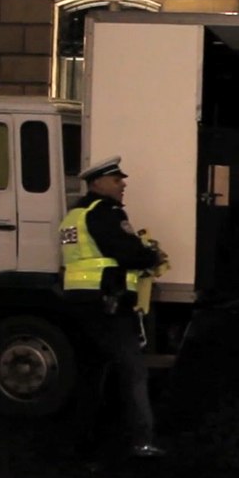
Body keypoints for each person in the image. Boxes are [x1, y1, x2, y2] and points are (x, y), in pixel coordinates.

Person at [60, 156, 168, 458]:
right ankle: (142, 440)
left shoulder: (75, 215)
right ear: (98, 183)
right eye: (117, 180)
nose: (123, 185)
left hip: (79, 302)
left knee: (90, 372)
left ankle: (82, 440)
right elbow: (127, 253)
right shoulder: (105, 212)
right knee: (133, 371)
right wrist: (152, 256)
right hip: (107, 302)